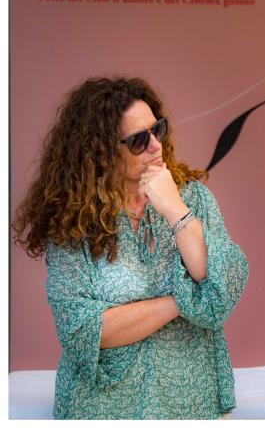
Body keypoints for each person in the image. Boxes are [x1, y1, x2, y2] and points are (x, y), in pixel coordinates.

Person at [13, 76, 249, 419]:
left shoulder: (192, 198)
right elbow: (83, 329)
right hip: (103, 407)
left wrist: (175, 210)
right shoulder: (73, 219)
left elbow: (222, 289)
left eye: (157, 130)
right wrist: (183, 300)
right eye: (138, 140)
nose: (155, 145)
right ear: (100, 153)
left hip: (190, 404)